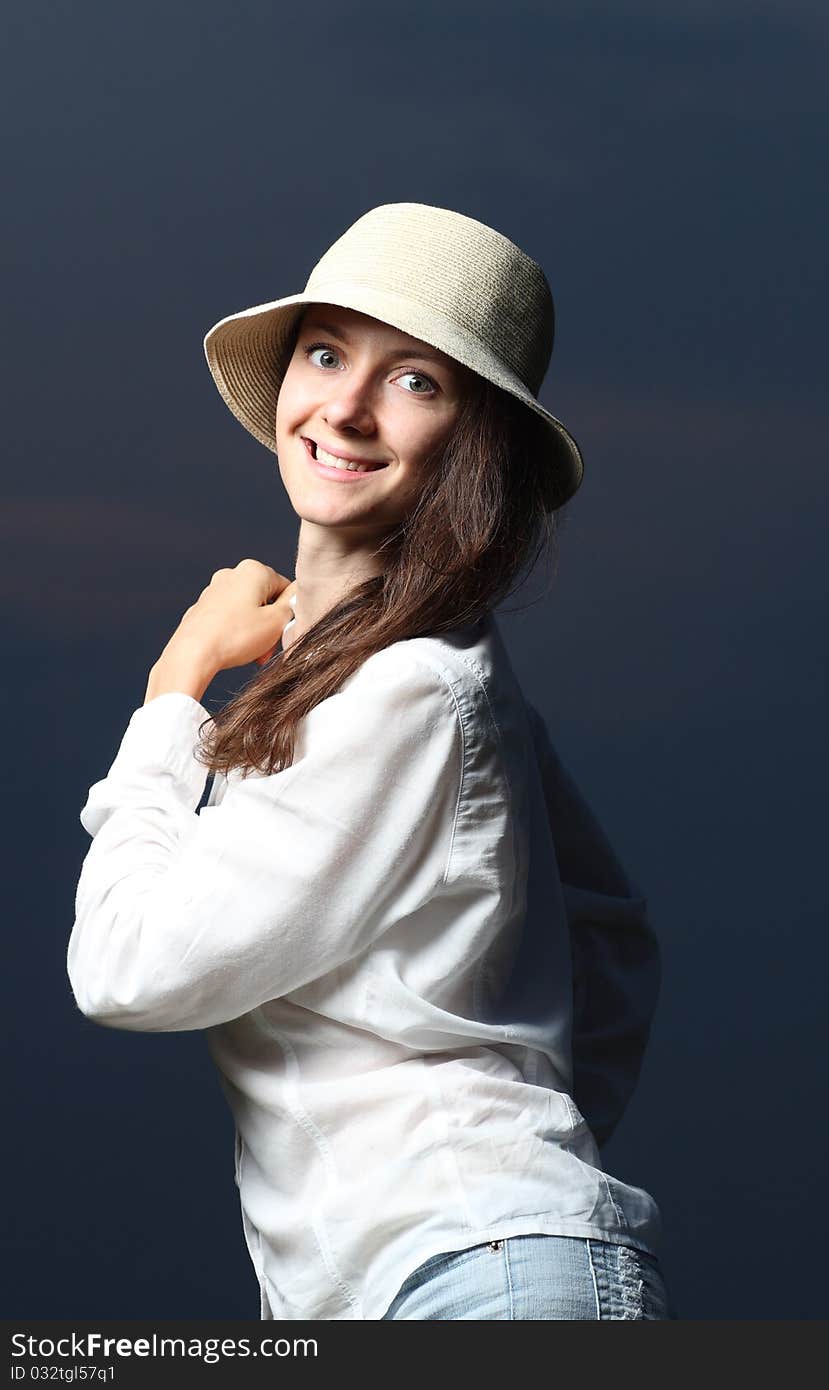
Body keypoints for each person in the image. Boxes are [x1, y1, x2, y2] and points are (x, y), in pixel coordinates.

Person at [68, 202, 672, 1321]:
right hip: (447, 1277)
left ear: (474, 438)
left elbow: (126, 968)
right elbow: (613, 941)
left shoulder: (410, 690)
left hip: (474, 1275)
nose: (343, 406)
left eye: (415, 380)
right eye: (328, 352)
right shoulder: (428, 682)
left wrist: (172, 690)